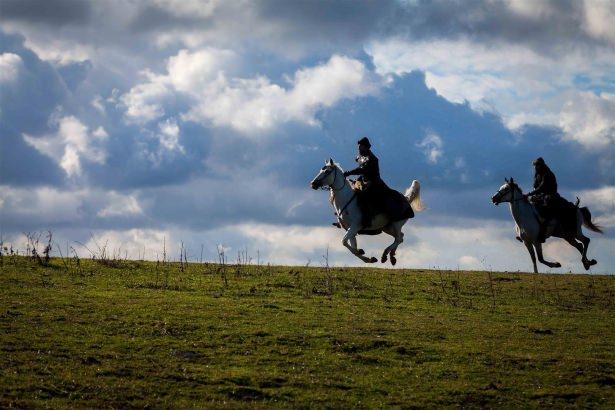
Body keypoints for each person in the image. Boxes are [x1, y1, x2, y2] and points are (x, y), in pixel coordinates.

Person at [342, 137, 387, 228]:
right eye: (358, 147)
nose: (358, 149)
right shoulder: (361, 156)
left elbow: (362, 170)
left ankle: (367, 219)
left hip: (374, 182)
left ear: (366, 147)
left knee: (363, 195)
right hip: (363, 180)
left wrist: (349, 173)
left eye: (360, 147)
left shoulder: (372, 159)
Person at [525, 157, 559, 242]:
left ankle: (543, 232)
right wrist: (532, 195)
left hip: (550, 195)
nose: (535, 167)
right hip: (540, 195)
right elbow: (535, 186)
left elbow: (541, 187)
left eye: (537, 165)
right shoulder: (537, 174)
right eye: (535, 166)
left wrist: (529, 194)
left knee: (543, 212)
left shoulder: (548, 174)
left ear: (541, 165)